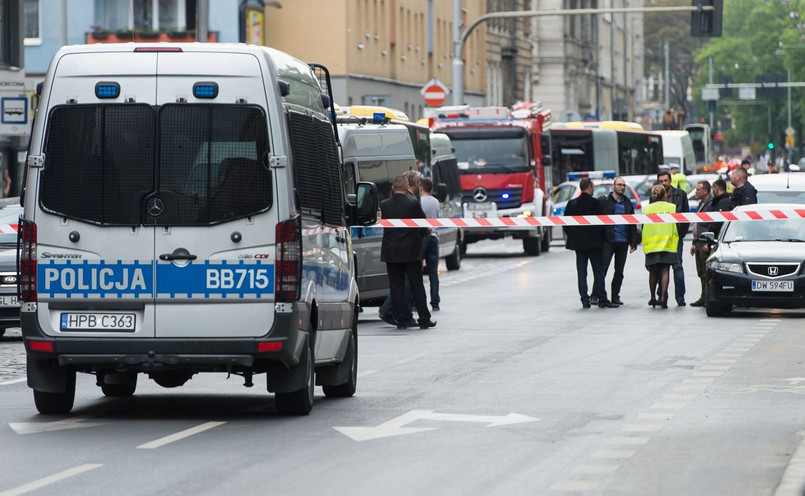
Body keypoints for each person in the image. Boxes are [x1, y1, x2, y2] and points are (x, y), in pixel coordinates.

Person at [379, 175, 436, 330]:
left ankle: (402, 319)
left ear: (393, 188)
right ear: (406, 187)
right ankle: (424, 319)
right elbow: (422, 224)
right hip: (411, 251)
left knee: (396, 286)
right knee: (416, 284)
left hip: (392, 251)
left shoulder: (384, 205)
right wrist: (426, 232)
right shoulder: (413, 203)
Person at [564, 177, 617, 309]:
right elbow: (601, 224)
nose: (593, 189)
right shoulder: (595, 203)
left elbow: (566, 224)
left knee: (581, 272)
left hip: (578, 244)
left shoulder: (572, 203)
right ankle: (602, 298)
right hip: (594, 244)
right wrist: (604, 239)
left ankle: (584, 300)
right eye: (592, 187)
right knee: (598, 271)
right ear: (588, 187)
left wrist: (572, 235)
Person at [598, 177, 639, 306]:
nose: (622, 187)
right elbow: (599, 222)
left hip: (623, 241)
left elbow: (632, 224)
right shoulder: (605, 201)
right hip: (609, 241)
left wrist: (633, 242)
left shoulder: (627, 203)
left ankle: (615, 296)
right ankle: (598, 295)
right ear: (613, 186)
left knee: (619, 271)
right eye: (619, 185)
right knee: (603, 269)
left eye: (623, 185)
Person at [642, 185, 679, 309]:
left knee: (652, 271)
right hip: (668, 243)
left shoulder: (647, 209)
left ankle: (653, 297)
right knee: (665, 270)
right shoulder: (672, 207)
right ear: (665, 195)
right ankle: (663, 297)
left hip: (652, 245)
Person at [657, 169, 690, 306]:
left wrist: (681, 232)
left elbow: (686, 215)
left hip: (676, 236)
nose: (664, 183)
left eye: (665, 180)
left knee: (677, 266)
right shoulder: (656, 194)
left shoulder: (680, 194)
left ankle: (680, 297)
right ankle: (662, 296)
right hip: (660, 237)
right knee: (661, 267)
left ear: (670, 180)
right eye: (661, 181)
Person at [689, 180, 714, 307]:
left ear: (705, 191)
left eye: (698, 189)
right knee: (700, 272)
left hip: (705, 242)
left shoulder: (710, 204)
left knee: (706, 271)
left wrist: (708, 242)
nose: (696, 192)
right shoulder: (701, 203)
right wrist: (694, 242)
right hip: (698, 241)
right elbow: (697, 224)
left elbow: (711, 224)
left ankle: (707, 297)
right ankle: (703, 296)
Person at [419, 177, 441, 312]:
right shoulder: (435, 202)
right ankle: (435, 302)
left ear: (421, 187)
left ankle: (417, 301)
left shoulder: (419, 201)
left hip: (422, 236)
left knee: (418, 271)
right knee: (433, 272)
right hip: (434, 236)